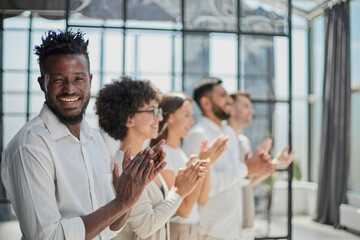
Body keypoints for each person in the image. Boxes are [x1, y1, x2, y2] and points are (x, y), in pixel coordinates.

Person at [1, 30, 166, 240]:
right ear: (43, 84)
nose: (70, 89)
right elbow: (47, 237)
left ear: (89, 80)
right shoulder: (30, 145)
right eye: (58, 80)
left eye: (78, 79)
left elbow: (111, 226)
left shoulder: (94, 139)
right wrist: (121, 202)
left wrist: (131, 193)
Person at [95, 78, 208, 240]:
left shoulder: (145, 162)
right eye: (152, 111)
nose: (159, 118)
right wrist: (178, 192)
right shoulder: (123, 166)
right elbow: (145, 227)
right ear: (129, 119)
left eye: (159, 112)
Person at [183, 77, 275, 240]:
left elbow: (238, 180)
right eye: (222, 96)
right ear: (206, 103)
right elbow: (205, 188)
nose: (228, 100)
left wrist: (252, 170)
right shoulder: (198, 135)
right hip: (212, 231)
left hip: (234, 230)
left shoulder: (229, 133)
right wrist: (246, 168)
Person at [150, 91, 228, 240]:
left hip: (193, 230)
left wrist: (207, 163)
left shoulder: (180, 152)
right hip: (178, 231)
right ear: (170, 117)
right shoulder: (162, 155)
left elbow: (202, 200)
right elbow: (184, 210)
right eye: (186, 115)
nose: (192, 122)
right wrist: (201, 163)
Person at [228, 90, 295, 239]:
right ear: (230, 109)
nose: (252, 111)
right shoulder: (223, 142)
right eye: (246, 106)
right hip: (228, 224)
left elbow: (247, 181)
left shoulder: (244, 142)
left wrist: (274, 164)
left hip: (246, 222)